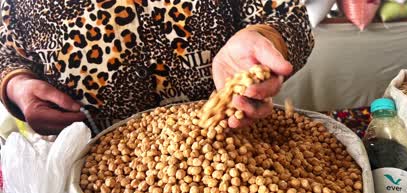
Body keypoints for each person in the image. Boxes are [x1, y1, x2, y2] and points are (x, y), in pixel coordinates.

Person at [0, 0, 313, 135]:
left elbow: (290, 18)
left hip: (231, 137)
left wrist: (265, 36)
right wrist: (17, 85)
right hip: (85, 155)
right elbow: (6, 50)